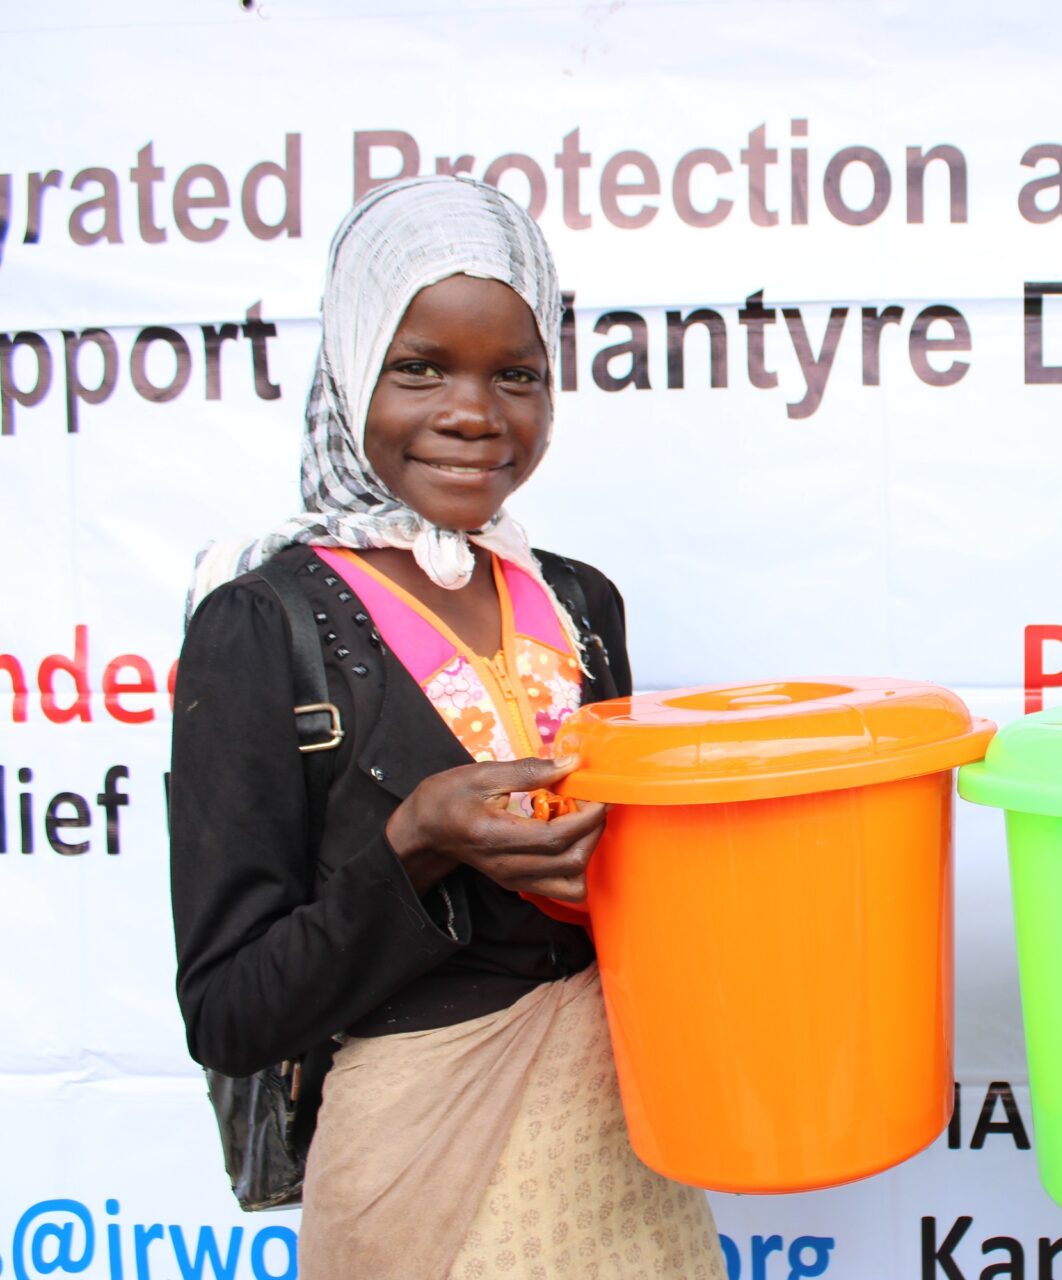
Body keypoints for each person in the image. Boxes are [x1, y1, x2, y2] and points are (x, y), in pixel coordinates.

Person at [170, 175, 725, 1279]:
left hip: (631, 1149)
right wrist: (414, 844)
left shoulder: (579, 603)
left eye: (516, 374)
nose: (476, 412)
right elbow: (230, 1014)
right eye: (418, 365)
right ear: (345, 368)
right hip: (420, 1178)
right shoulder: (263, 623)